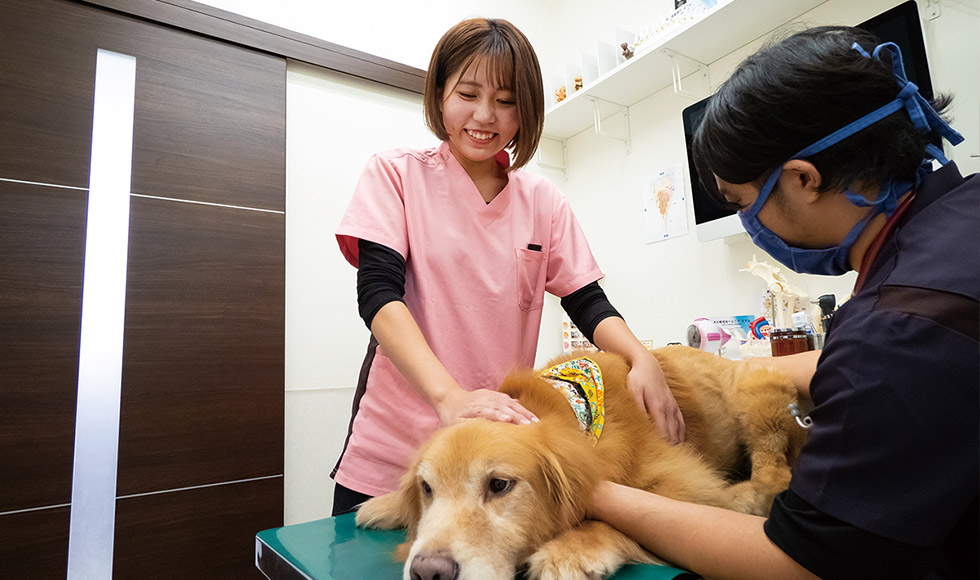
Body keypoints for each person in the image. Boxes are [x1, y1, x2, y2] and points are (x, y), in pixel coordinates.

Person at [589, 26, 978, 580]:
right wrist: (739, 371)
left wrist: (599, 494)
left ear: (803, 179)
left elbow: (796, 562)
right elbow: (921, 363)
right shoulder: (956, 223)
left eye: (745, 203)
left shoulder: (893, 327)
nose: (750, 225)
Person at [331, 17, 685, 515]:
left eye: (505, 101)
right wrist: (449, 397)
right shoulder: (396, 173)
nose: (484, 115)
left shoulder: (542, 200)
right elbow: (378, 296)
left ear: (526, 110)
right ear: (439, 95)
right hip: (394, 452)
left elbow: (586, 301)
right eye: (468, 94)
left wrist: (642, 359)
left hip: (492, 463)